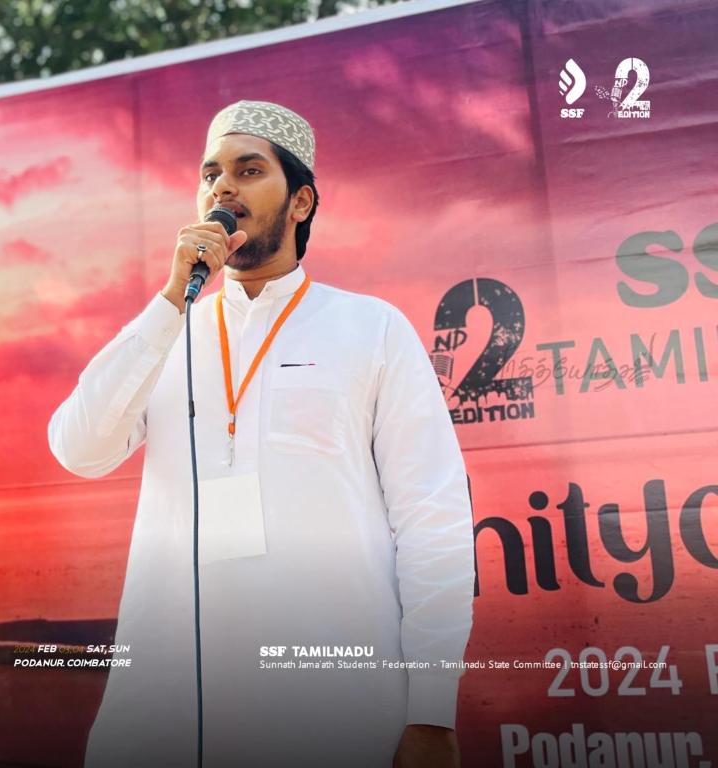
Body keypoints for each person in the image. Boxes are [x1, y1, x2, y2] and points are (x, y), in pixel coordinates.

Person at [48, 100, 475, 768]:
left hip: (335, 717)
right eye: (211, 173)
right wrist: (168, 302)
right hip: (162, 721)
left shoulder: (371, 328)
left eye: (249, 170)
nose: (223, 187)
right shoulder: (166, 332)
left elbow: (433, 519)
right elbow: (78, 449)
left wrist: (432, 709)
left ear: (301, 201)